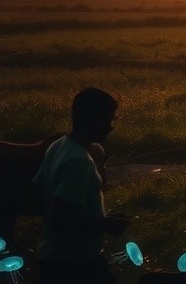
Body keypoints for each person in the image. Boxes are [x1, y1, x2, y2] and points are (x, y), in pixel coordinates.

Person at [33, 87, 130, 284]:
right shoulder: (79, 161)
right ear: (91, 120)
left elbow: (40, 190)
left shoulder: (58, 146)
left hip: (53, 258)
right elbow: (62, 216)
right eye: (109, 120)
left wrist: (99, 218)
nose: (111, 127)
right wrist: (104, 224)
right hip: (75, 262)